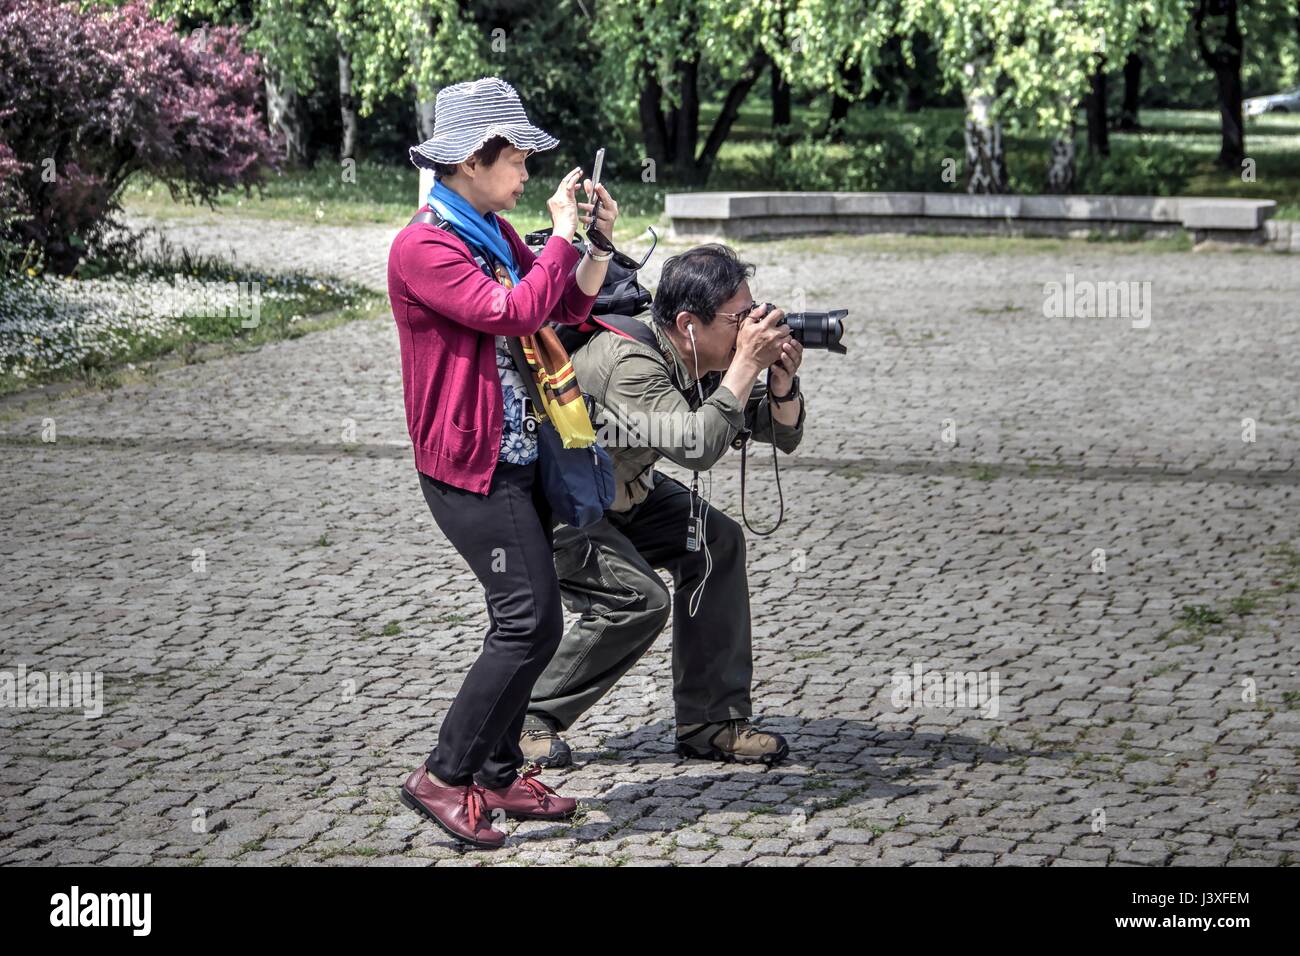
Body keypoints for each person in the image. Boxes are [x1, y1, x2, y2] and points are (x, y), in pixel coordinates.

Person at [387, 76, 619, 848]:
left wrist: (592, 245)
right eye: (516, 160)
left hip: (521, 453)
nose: (524, 176)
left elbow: (563, 308)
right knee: (529, 620)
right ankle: (445, 775)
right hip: (467, 466)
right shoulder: (424, 246)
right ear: (474, 160)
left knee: (532, 621)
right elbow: (513, 310)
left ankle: (493, 769)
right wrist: (556, 238)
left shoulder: (491, 230)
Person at [519, 244, 808, 768]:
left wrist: (780, 386)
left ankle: (711, 722)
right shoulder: (631, 364)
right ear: (687, 323)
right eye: (739, 319)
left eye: (752, 313)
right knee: (638, 598)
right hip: (564, 509)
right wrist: (746, 365)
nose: (751, 328)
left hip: (623, 491)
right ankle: (525, 716)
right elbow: (696, 447)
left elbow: (777, 434)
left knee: (717, 542)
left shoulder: (699, 357)